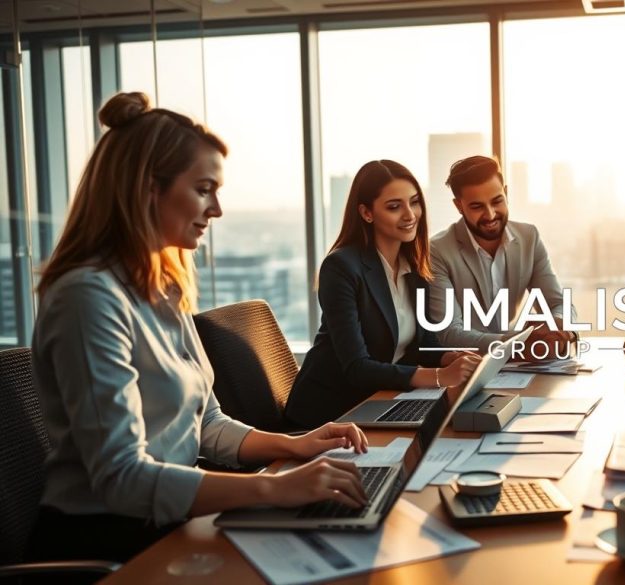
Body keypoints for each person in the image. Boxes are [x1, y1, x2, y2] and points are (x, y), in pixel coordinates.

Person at [29, 92, 370, 565]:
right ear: (149, 189)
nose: (217, 210)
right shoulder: (87, 297)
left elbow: (205, 424)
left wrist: (294, 445)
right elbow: (121, 478)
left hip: (173, 522)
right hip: (108, 545)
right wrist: (271, 487)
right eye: (205, 189)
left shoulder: (161, 288)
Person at [285, 160, 481, 429]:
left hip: (381, 402)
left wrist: (448, 357)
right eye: (394, 206)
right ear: (366, 213)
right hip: (329, 415)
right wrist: (439, 375)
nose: (410, 214)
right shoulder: (342, 267)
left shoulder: (414, 265)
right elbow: (357, 368)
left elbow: (423, 340)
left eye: (414, 202)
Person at [428, 155, 576, 357]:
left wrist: (558, 328)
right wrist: (521, 342)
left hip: (523, 367)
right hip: (468, 368)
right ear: (459, 206)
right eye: (477, 206)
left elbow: (557, 303)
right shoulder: (438, 250)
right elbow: (449, 333)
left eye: (497, 201)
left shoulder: (528, 238)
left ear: (506, 193)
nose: (490, 215)